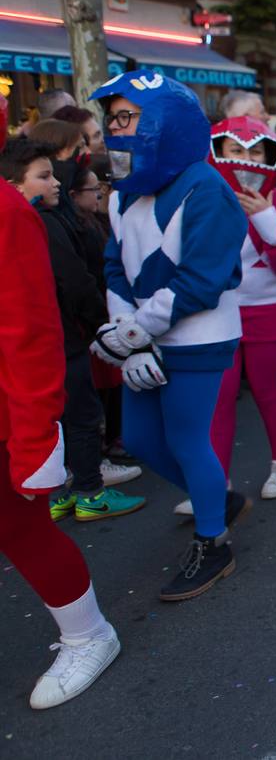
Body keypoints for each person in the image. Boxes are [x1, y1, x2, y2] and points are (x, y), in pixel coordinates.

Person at [89, 71, 249, 601]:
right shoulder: (121, 194)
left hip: (200, 337)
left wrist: (134, 332)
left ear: (163, 121)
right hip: (146, 335)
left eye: (126, 117)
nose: (115, 130)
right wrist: (126, 331)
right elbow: (115, 264)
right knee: (139, 440)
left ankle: (214, 541)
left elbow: (202, 281)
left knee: (185, 439)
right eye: (112, 119)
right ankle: (214, 501)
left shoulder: (207, 189)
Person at [0, 168, 121, 710]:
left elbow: (28, 330)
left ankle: (87, 634)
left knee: (22, 528)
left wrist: (32, 443)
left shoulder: (7, 212)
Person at [3, 139, 146, 523]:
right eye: (43, 176)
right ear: (14, 185)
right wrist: (100, 318)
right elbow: (72, 281)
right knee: (81, 416)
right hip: (61, 341)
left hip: (56, 339)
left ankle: (65, 491)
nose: (53, 184)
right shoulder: (39, 223)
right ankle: (88, 491)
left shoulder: (39, 220)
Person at [206, 117, 276, 500]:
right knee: (221, 395)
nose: (246, 161)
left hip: (268, 310)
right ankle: (216, 482)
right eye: (235, 151)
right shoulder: (206, 199)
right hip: (218, 312)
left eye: (255, 152)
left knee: (266, 390)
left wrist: (265, 218)